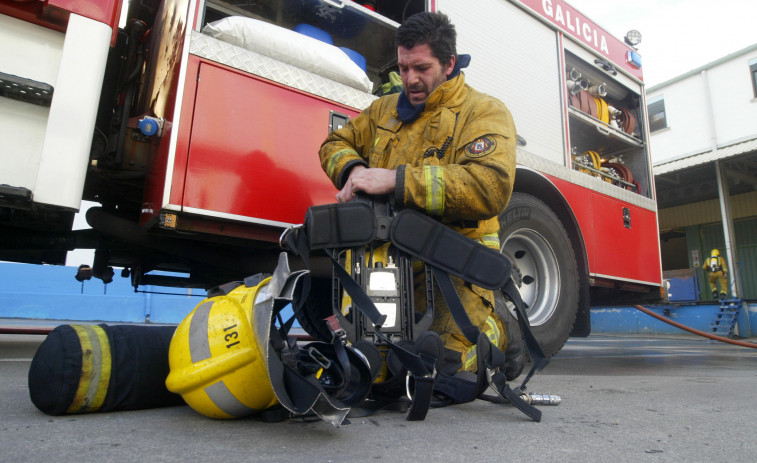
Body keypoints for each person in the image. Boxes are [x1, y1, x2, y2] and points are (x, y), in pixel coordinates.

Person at [318, 11, 524, 379]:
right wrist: (354, 170)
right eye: (403, 67)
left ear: (448, 63)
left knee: (442, 373)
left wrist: (396, 181)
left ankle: (501, 330)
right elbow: (335, 142)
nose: (410, 79)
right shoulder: (383, 111)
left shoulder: (483, 112)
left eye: (421, 68)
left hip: (453, 266)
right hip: (385, 265)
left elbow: (488, 186)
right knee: (373, 373)